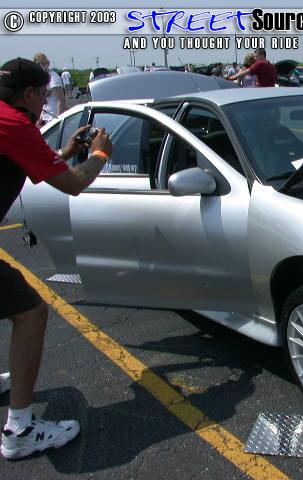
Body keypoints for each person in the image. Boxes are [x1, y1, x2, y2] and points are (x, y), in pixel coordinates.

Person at [0, 57, 113, 460]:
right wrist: (99, 155)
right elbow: (74, 183)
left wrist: (66, 151)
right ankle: (20, 430)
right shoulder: (15, 125)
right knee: (31, 313)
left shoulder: (8, 121)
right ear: (29, 94)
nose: (46, 100)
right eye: (44, 94)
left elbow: (28, 160)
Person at [32, 53, 66, 125]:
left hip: (53, 116)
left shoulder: (54, 77)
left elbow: (61, 100)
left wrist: (58, 119)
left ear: (48, 63)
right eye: (38, 65)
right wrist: (40, 118)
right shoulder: (44, 78)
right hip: (46, 116)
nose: (41, 66)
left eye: (43, 63)